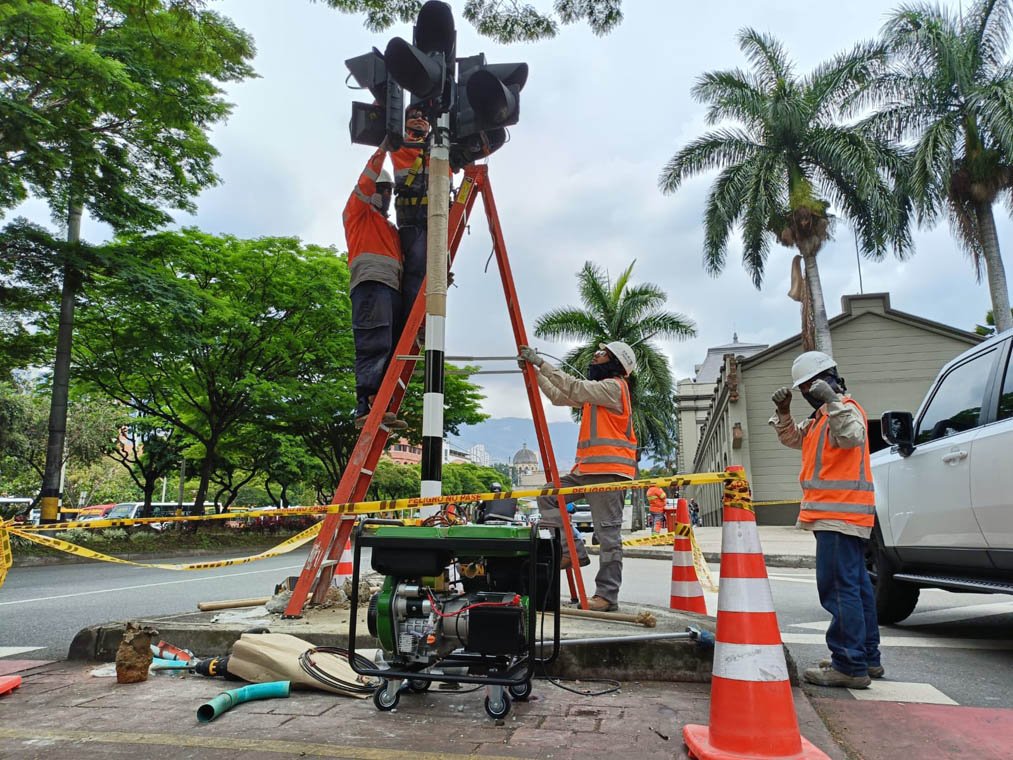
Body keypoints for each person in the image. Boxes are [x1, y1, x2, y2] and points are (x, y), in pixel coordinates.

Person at [770, 350, 882, 689]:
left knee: (839, 588)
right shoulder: (820, 418)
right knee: (858, 587)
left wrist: (833, 400)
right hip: (838, 515)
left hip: (839, 514)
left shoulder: (844, 410)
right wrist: (783, 412)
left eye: (812, 385)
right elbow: (792, 439)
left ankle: (848, 664)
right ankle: (865, 657)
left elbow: (852, 436)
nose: (809, 391)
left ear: (829, 379)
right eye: (805, 388)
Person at [518, 340, 638, 613]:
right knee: (549, 496)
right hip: (586, 471)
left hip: (609, 475)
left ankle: (607, 596)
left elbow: (572, 387)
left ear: (614, 363)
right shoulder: (598, 394)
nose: (595, 357)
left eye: (601, 354)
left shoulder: (613, 388)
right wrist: (534, 372)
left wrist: (539, 363)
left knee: (608, 537)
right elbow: (560, 396)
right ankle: (572, 550)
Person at [342, 145, 407, 430]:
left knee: (392, 348)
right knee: (373, 344)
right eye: (382, 189)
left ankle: (379, 406)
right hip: (370, 285)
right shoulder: (357, 214)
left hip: (391, 289)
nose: (386, 196)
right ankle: (363, 408)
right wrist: (383, 149)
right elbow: (364, 181)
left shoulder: (391, 230)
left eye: (390, 191)